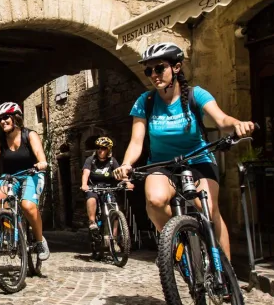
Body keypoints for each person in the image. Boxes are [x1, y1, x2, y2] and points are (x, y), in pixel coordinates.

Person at [114, 42, 254, 259]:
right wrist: (126, 164)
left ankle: (226, 274)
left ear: (176, 67)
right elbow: (136, 141)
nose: (154, 75)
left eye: (159, 68)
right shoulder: (146, 102)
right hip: (161, 164)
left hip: (198, 159)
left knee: (208, 209)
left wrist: (238, 125)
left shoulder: (195, 95)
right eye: (149, 71)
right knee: (155, 201)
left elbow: (221, 119)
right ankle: (182, 244)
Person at [0, 102, 50, 261]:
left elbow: (40, 156)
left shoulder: (30, 135)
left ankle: (40, 241)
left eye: (6, 117)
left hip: (31, 173)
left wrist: (41, 163)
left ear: (16, 118)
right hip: (10, 176)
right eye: (0, 119)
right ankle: (9, 230)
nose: (2, 121)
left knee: (28, 206)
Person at [81, 136, 121, 236]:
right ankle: (92, 222)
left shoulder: (112, 161)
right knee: (91, 198)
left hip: (109, 187)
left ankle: (114, 238)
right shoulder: (91, 160)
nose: (100, 150)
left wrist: (126, 182)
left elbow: (120, 173)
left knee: (115, 210)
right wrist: (84, 184)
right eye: (98, 147)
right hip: (94, 187)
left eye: (103, 148)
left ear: (108, 150)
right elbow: (85, 173)